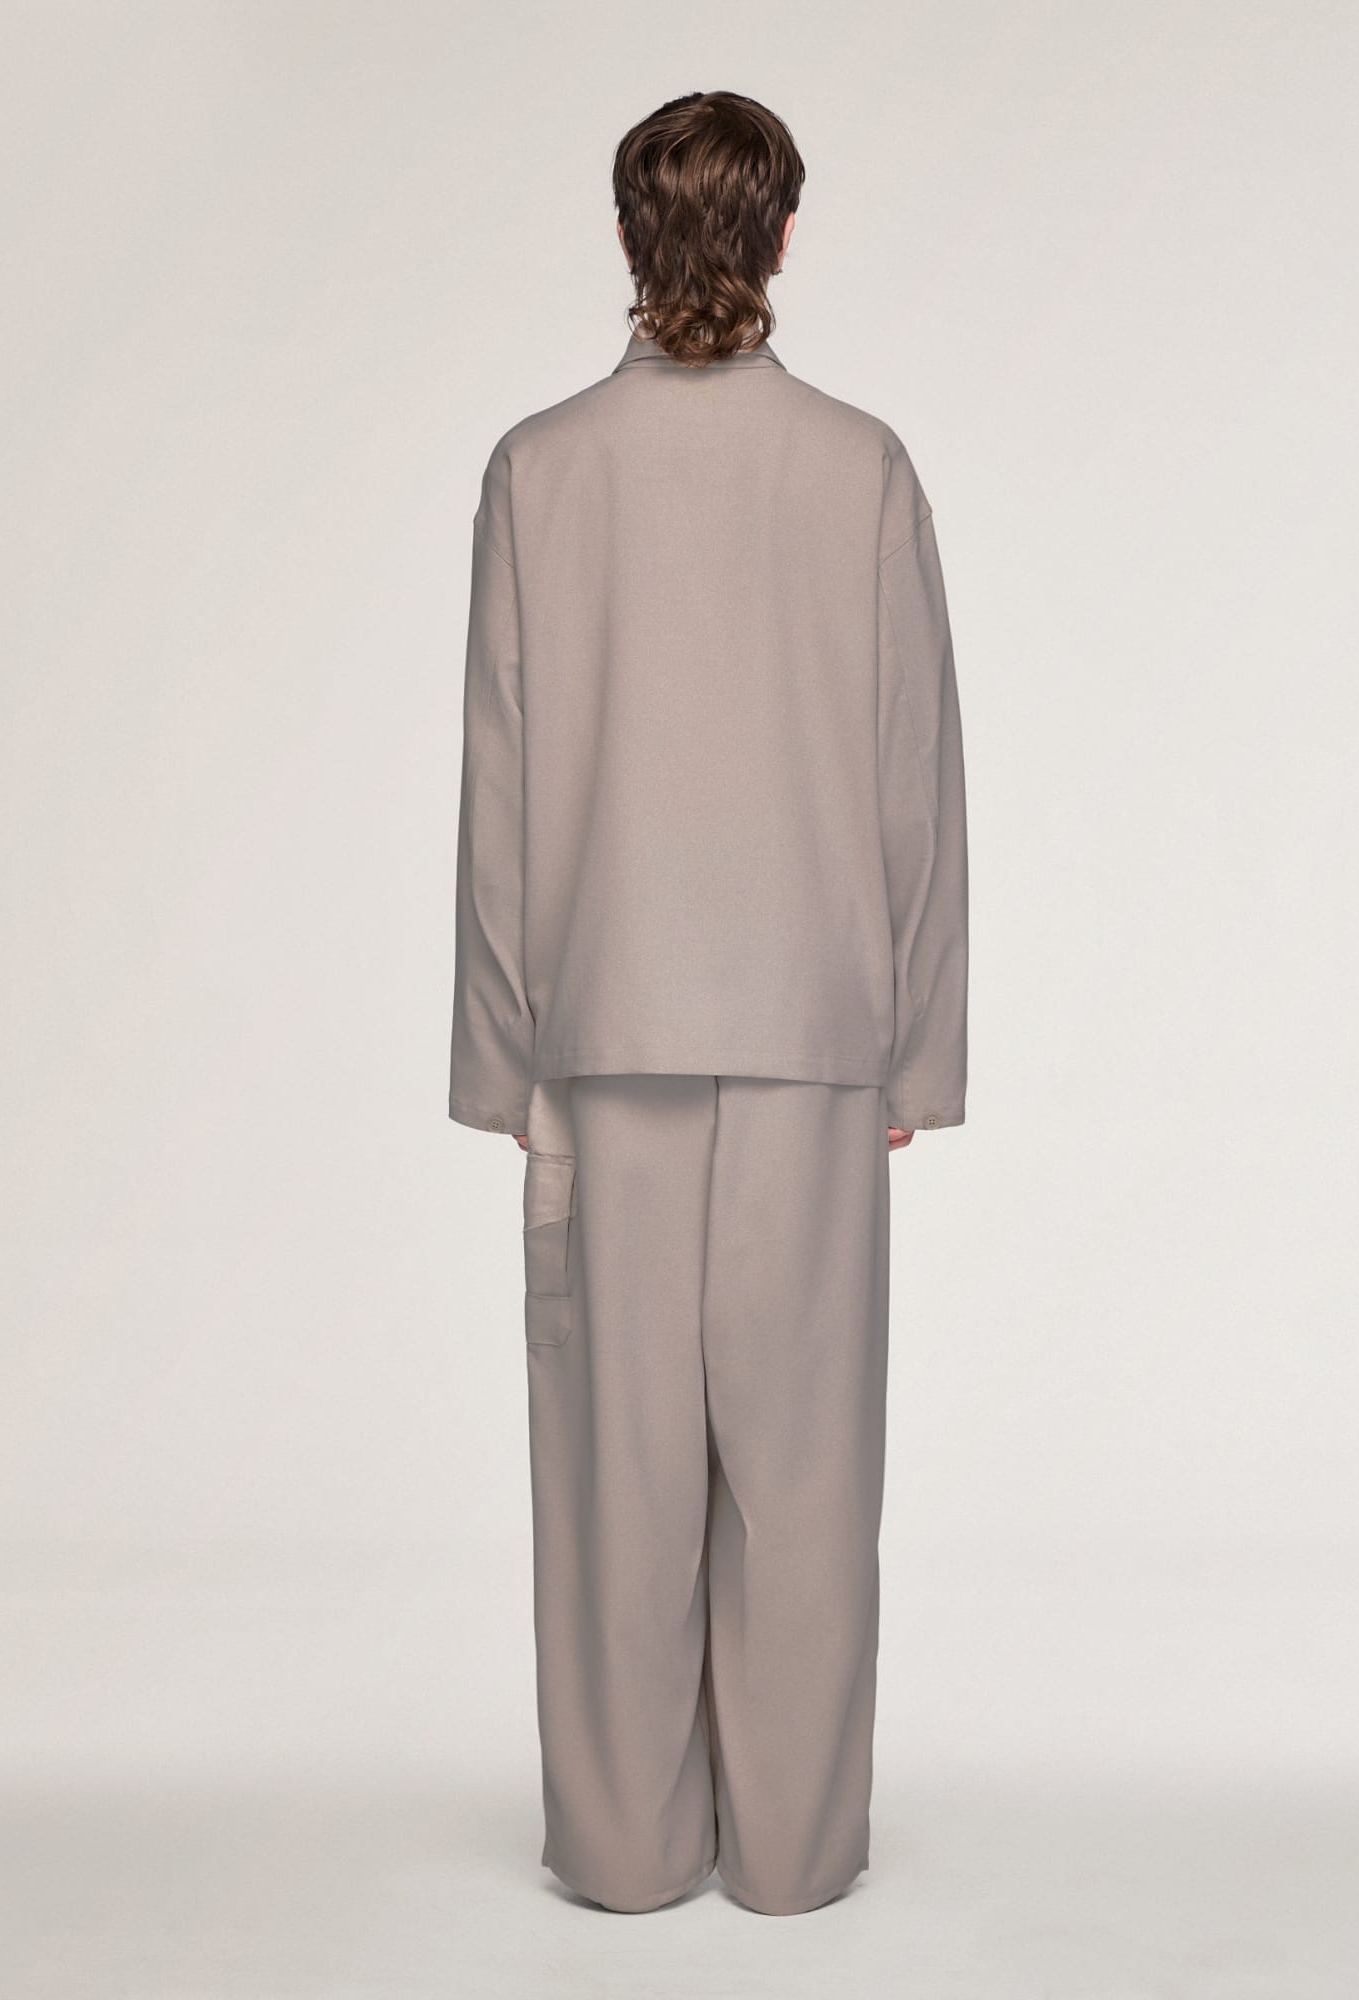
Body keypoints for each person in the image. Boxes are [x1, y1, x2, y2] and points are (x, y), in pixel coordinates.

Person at [448, 89, 967, 1917]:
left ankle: (622, 1848)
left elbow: (502, 785)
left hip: (606, 1036)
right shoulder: (861, 466)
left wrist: (505, 1059)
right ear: (783, 236)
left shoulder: (540, 470)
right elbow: (916, 779)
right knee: (807, 1476)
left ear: (627, 236)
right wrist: (914, 1052)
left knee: (616, 1478)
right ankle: (799, 1855)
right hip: (816, 1035)